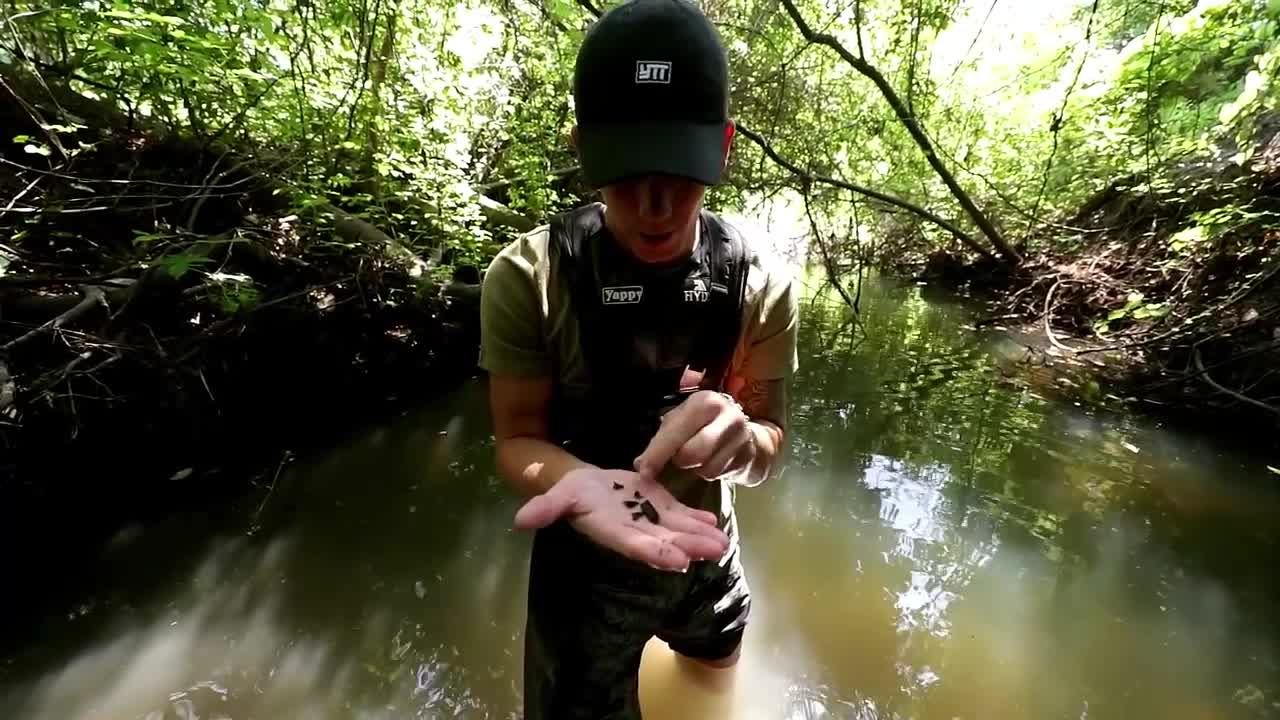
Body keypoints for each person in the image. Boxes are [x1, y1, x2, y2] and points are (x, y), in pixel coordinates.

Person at [477, 0, 798, 717]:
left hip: (705, 550)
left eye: (680, 173)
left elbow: (772, 445)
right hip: (580, 559)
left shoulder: (760, 281)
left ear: (724, 149)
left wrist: (745, 441)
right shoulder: (528, 279)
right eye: (626, 173)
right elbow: (516, 440)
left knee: (715, 680)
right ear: (582, 147)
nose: (655, 205)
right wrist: (584, 484)